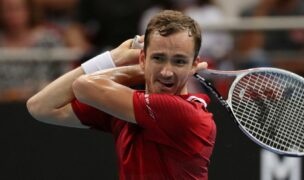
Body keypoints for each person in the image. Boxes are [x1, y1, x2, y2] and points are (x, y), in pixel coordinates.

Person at [26, 10, 216, 179]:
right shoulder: (125, 107)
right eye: (158, 58)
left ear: (194, 65)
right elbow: (40, 106)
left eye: (179, 62)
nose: (167, 72)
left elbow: (83, 85)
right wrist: (136, 66)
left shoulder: (187, 114)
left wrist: (118, 59)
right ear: (142, 58)